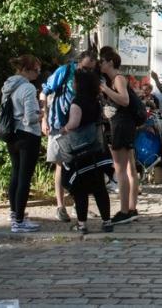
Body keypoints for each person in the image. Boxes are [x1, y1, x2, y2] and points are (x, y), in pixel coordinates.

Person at [42, 51, 96, 223]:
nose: (87, 71)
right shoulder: (64, 71)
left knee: (81, 165)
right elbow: (44, 92)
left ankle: (79, 205)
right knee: (60, 164)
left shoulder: (90, 76)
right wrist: (44, 118)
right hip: (59, 124)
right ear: (78, 62)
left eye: (91, 69)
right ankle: (60, 205)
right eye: (85, 67)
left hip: (80, 126)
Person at [62, 66, 113, 233]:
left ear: (79, 84)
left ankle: (82, 224)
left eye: (74, 81)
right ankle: (107, 221)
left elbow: (74, 123)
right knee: (99, 187)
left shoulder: (77, 102)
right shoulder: (95, 101)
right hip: (96, 149)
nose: (73, 83)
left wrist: (64, 128)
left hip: (80, 150)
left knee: (81, 189)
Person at [1, 55, 42, 233]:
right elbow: (31, 117)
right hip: (27, 135)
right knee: (25, 177)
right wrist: (42, 114)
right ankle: (19, 220)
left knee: (15, 174)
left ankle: (14, 213)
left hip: (12, 134)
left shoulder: (8, 86)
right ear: (26, 70)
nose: (37, 74)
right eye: (35, 70)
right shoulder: (28, 88)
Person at [99, 51, 139, 225]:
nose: (100, 64)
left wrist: (106, 90)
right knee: (129, 167)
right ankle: (131, 207)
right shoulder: (114, 80)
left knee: (121, 169)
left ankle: (124, 211)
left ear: (110, 62)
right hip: (125, 124)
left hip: (121, 126)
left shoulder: (117, 79)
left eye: (102, 61)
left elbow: (125, 100)